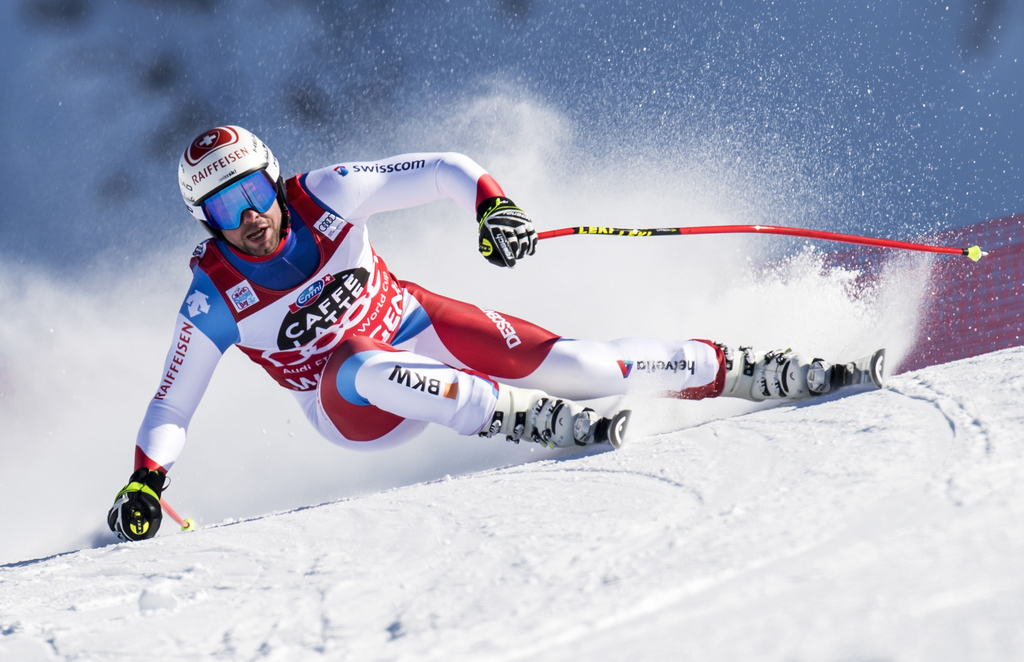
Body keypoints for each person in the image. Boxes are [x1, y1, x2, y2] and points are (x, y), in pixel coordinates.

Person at [108, 125, 883, 541]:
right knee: (358, 362)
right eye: (223, 208)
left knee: (583, 362)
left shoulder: (329, 195)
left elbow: (446, 166)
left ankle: (749, 367)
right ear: (203, 221)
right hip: (353, 405)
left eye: (250, 191)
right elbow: (172, 407)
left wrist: (492, 207)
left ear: (273, 176)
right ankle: (520, 419)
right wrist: (147, 482)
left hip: (417, 323)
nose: (248, 217)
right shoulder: (216, 293)